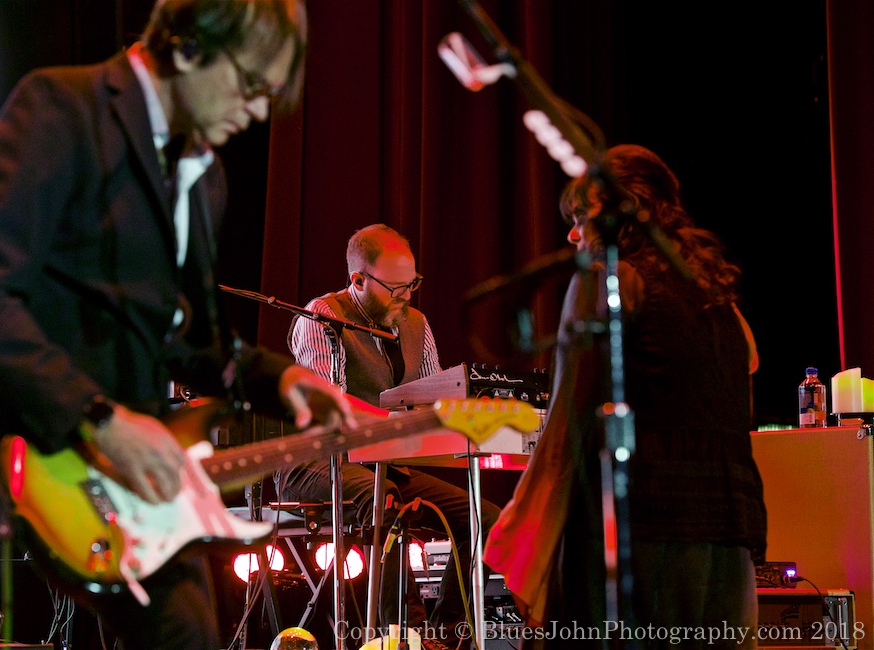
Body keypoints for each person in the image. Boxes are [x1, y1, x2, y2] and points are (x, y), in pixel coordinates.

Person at [0, 1, 356, 649]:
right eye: (252, 85)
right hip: (35, 441)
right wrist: (98, 418)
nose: (260, 110)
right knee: (175, 630)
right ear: (187, 47)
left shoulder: (203, 177)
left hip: (134, 462)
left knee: (181, 631)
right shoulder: (61, 109)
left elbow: (187, 340)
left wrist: (282, 379)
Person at [484, 145, 766, 648]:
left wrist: (524, 549)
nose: (572, 233)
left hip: (640, 539)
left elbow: (564, 435)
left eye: (581, 215)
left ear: (621, 211)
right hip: (730, 540)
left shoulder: (606, 281)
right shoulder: (722, 302)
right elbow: (742, 384)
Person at [285, 223, 501, 648]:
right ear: (358, 280)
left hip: (384, 465)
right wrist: (397, 426)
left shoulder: (415, 323)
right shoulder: (322, 316)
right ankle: (401, 637)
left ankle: (443, 636)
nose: (406, 296)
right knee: (387, 502)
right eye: (396, 287)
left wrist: (476, 417)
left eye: (412, 284)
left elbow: (430, 399)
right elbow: (332, 409)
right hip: (314, 464)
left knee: (487, 519)